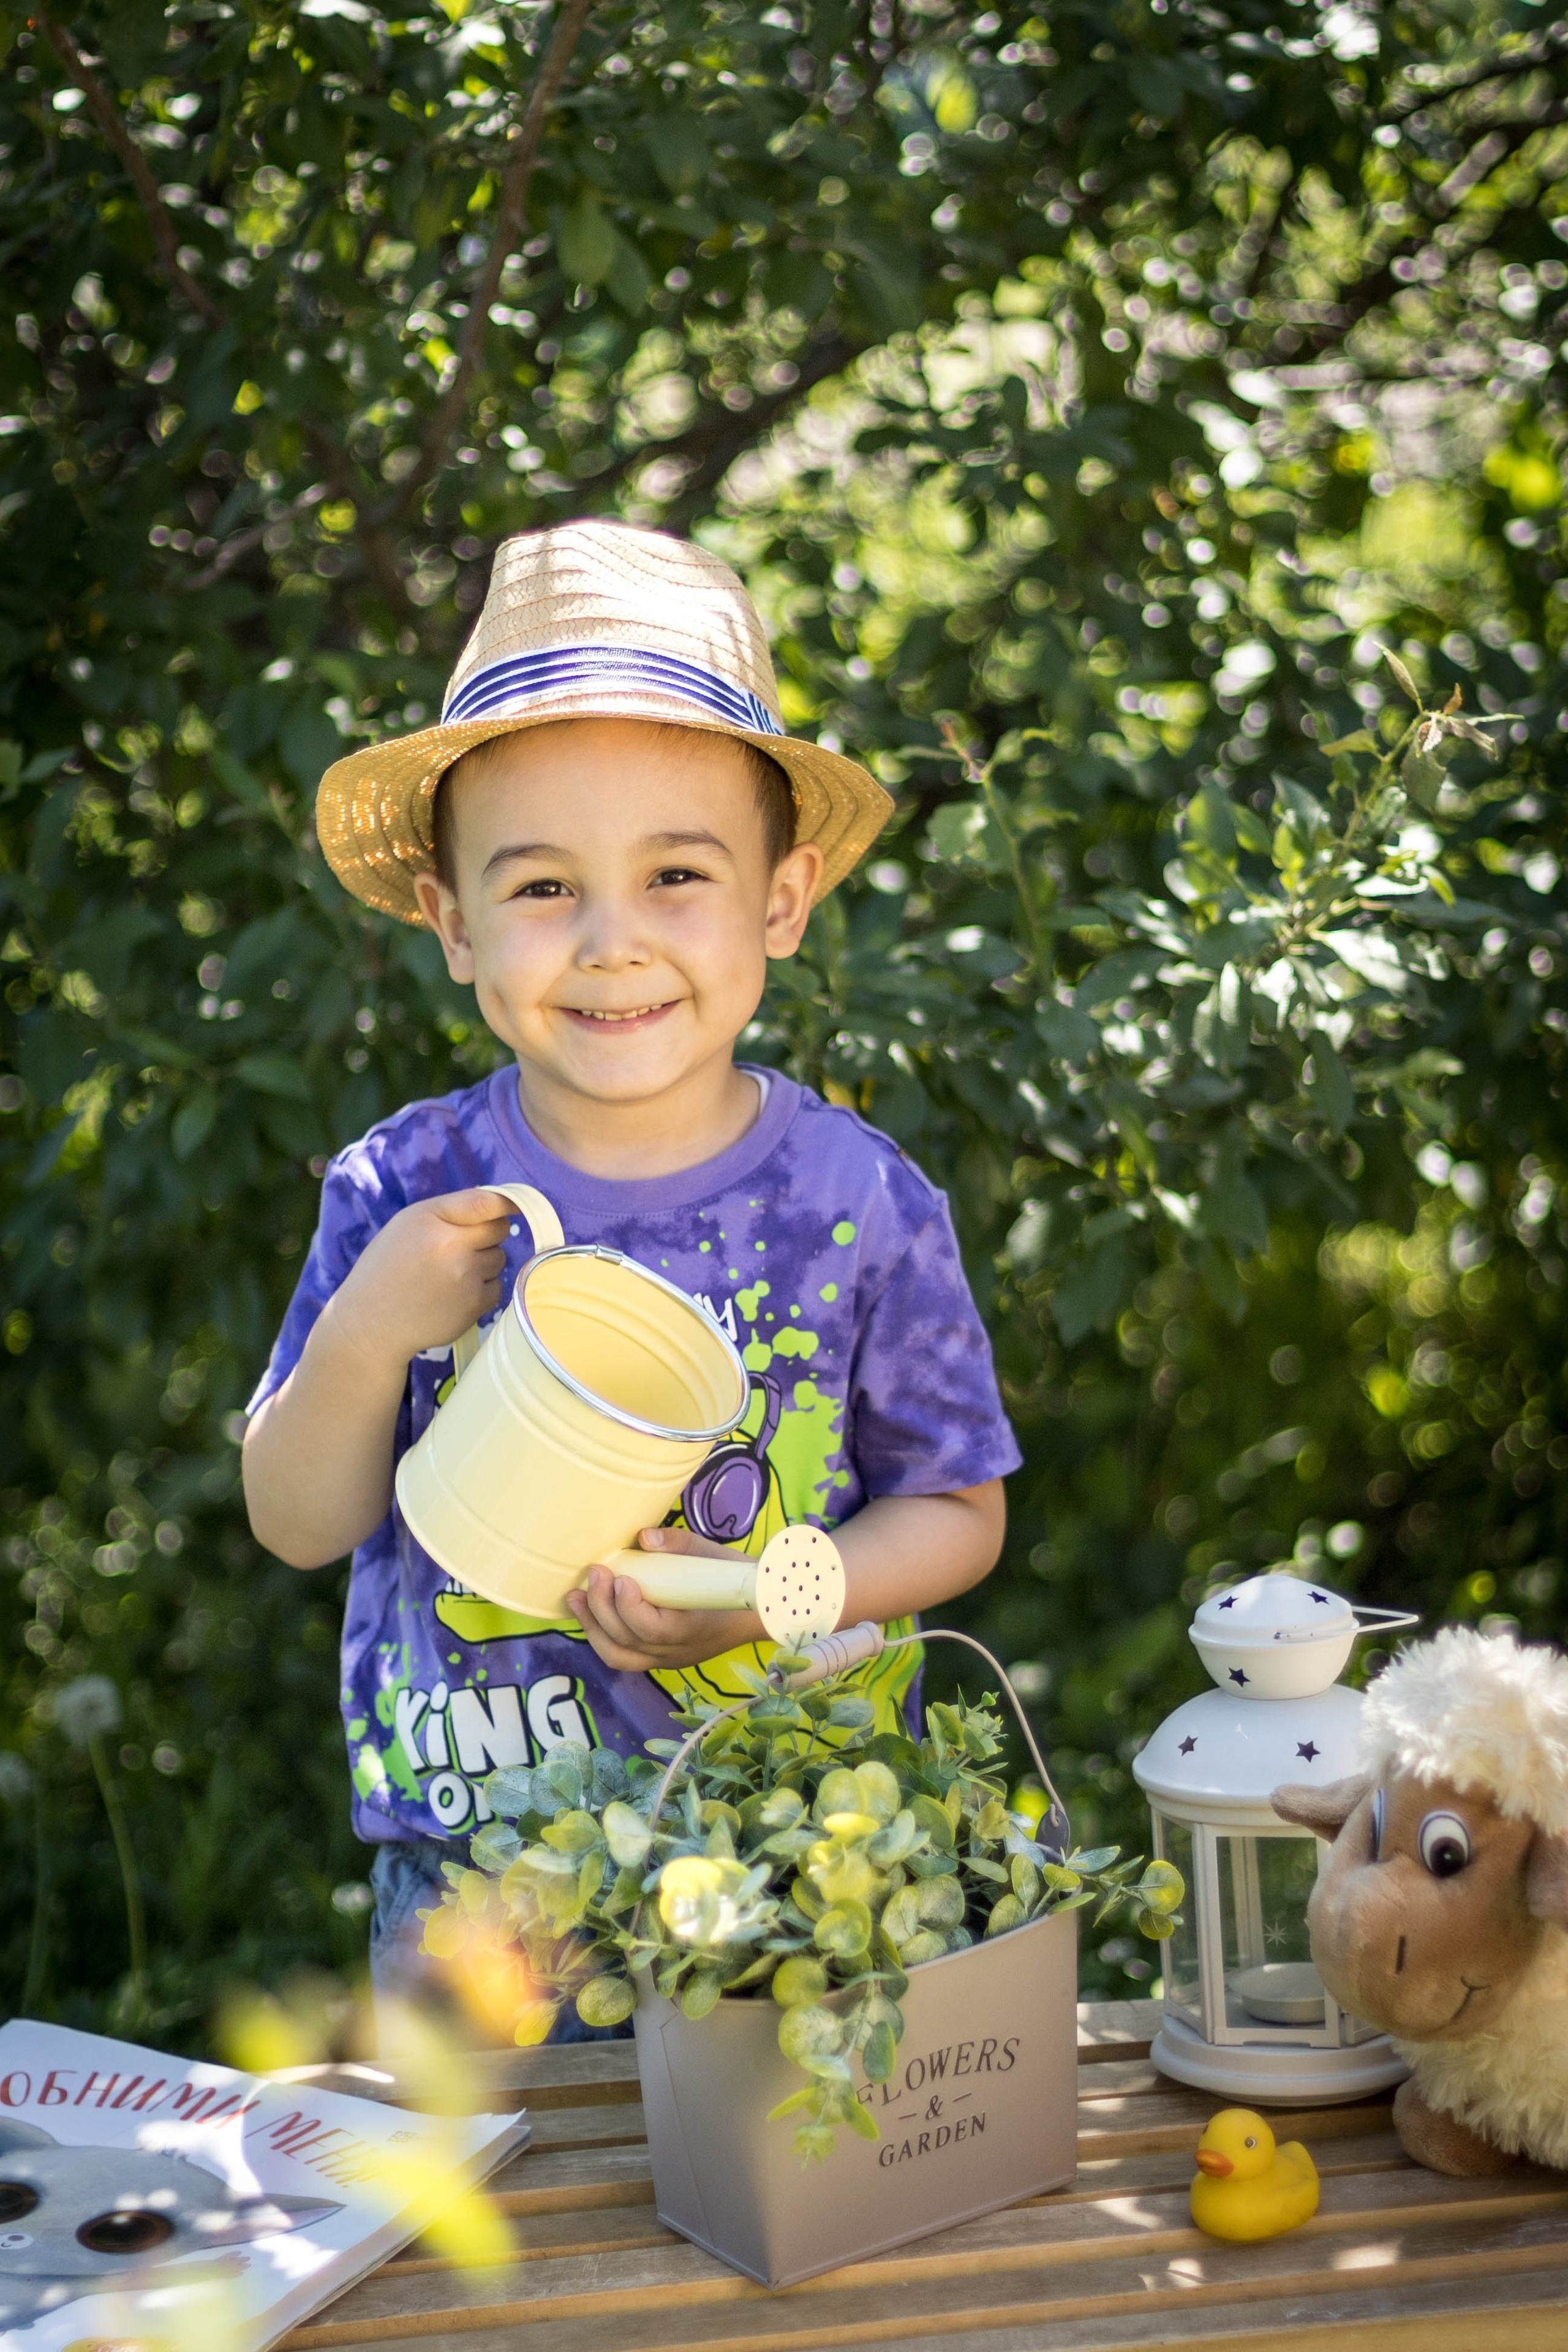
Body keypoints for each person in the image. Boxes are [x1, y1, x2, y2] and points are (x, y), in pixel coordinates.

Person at [242, 520, 1021, 2033]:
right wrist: (371, 1334)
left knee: (794, 2234)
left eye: (677, 873)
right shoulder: (403, 1195)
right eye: (540, 889)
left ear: (779, 905)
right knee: (498, 2255)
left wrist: (770, 1597)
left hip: (807, 1858)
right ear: (452, 925)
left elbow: (958, 1509)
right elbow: (295, 1522)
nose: (611, 943)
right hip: (480, 1878)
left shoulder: (856, 1202)